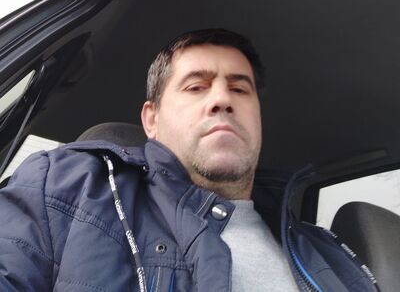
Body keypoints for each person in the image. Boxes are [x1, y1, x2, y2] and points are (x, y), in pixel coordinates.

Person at [0, 29, 379, 291]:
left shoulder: (328, 251)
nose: (222, 99)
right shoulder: (66, 188)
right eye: (196, 86)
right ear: (151, 119)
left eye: (239, 89)